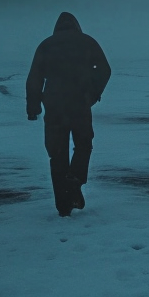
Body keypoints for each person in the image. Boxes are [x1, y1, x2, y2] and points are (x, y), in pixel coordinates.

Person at [26, 12, 112, 217]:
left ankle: (63, 206)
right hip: (79, 104)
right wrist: (92, 93)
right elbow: (105, 70)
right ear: (76, 26)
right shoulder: (87, 42)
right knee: (84, 144)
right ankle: (75, 179)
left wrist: (33, 107)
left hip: (55, 107)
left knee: (57, 154)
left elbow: (34, 78)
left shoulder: (46, 45)